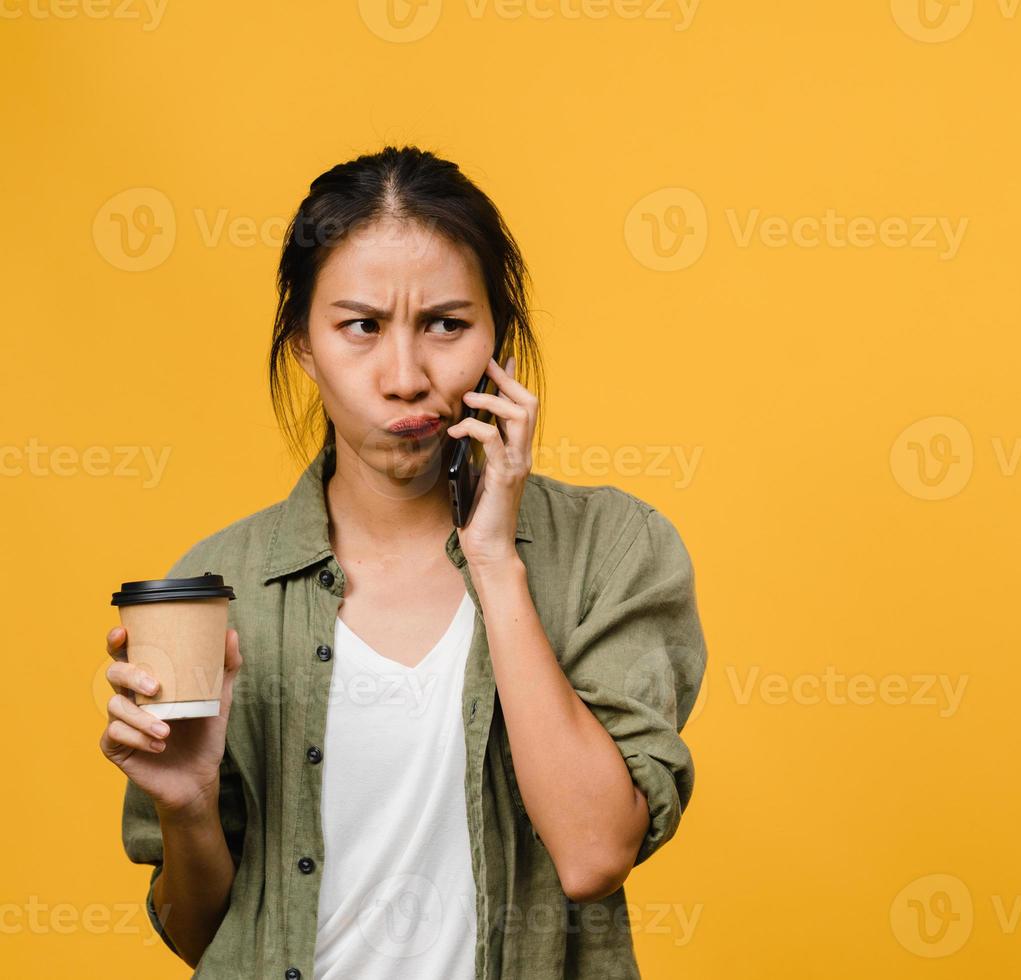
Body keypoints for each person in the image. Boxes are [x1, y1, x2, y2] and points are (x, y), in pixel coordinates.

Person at [96, 145, 707, 979]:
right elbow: (200, 936)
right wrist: (190, 807)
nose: (406, 377)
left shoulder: (613, 549)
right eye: (361, 327)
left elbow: (594, 854)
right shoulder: (217, 589)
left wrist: (494, 559)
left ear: (501, 339)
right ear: (304, 346)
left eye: (447, 325)